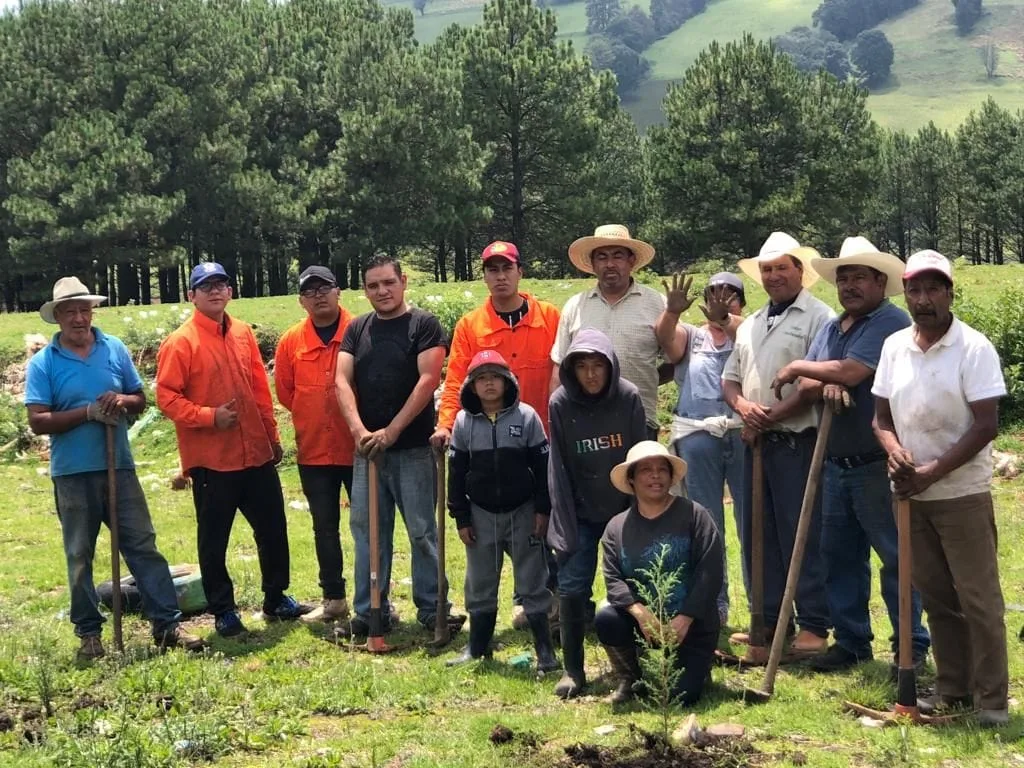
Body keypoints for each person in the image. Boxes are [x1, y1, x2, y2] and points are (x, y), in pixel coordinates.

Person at [770, 237, 930, 674]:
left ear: (881, 281)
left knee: (895, 556)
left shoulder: (890, 322)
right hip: (836, 461)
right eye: (843, 278)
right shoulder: (833, 326)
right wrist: (826, 379)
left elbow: (852, 371)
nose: (849, 286)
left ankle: (911, 645)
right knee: (839, 556)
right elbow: (817, 386)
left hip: (877, 462)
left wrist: (802, 368)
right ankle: (852, 641)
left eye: (859, 276)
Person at [26, 277, 204, 660]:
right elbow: (38, 421)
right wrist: (86, 413)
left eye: (84, 309)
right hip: (73, 473)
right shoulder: (44, 363)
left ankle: (167, 624)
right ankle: (89, 633)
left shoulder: (114, 348)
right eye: (70, 311)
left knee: (142, 545)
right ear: (57, 316)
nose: (79, 318)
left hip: (118, 467)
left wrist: (121, 400)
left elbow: (140, 399)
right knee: (79, 553)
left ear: (92, 312)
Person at [872, 250, 1008, 727]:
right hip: (910, 492)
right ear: (905, 293)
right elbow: (881, 418)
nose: (923, 299)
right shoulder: (894, 346)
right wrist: (895, 452)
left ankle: (991, 701)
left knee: (979, 598)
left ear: (950, 293)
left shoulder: (973, 348)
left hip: (961, 492)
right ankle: (953, 690)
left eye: (933, 289)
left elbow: (986, 425)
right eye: (915, 289)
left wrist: (933, 470)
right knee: (935, 596)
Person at [156, 262, 309, 638]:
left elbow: (259, 386)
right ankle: (223, 610)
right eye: (205, 286)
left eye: (221, 284)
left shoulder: (242, 332)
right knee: (214, 539)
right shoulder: (181, 341)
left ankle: (276, 597)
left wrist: (272, 437)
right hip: (212, 461)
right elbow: (165, 396)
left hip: (255, 452)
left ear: (230, 291)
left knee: (273, 528)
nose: (215, 291)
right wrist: (208, 416)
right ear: (192, 295)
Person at [430, 240, 561, 630]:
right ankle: (525, 603)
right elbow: (455, 380)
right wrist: (445, 424)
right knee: (509, 523)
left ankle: (551, 598)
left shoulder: (550, 317)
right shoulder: (471, 326)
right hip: (491, 441)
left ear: (520, 272)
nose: (500, 276)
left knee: (546, 518)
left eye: (507, 269)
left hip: (543, 439)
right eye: (492, 270)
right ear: (484, 276)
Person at [721, 232, 834, 660]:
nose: (773, 276)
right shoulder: (750, 323)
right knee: (756, 532)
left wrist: (767, 417)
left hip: (795, 441)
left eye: (781, 268)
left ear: (800, 272)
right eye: (766, 270)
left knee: (800, 531)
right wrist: (745, 408)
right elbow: (729, 378)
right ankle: (765, 621)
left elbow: (812, 383)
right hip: (753, 442)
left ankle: (813, 625)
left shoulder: (819, 317)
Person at [335, 254, 458, 635]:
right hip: (368, 451)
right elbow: (340, 381)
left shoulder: (424, 325)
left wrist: (392, 430)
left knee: (422, 529)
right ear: (365, 290)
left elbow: (428, 380)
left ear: (403, 281)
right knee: (367, 531)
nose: (381, 291)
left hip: (414, 451)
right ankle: (371, 610)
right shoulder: (357, 329)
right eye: (373, 285)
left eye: (388, 282)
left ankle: (431, 607)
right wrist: (359, 432)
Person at [445, 350, 558, 674]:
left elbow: (542, 465)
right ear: (472, 386)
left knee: (533, 581)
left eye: (495, 377)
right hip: (480, 515)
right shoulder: (464, 423)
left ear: (508, 382)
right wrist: (461, 516)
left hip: (523, 512)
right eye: (482, 379)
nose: (489, 384)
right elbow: (456, 472)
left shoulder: (526, 417)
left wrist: (542, 510)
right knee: (479, 582)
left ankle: (545, 652)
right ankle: (477, 648)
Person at [547, 328, 647, 698]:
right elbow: (558, 467)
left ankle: (633, 667)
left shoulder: (629, 398)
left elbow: (641, 457)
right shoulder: (560, 403)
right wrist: (564, 523)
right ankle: (573, 669)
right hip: (580, 512)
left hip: (624, 511)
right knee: (572, 588)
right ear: (571, 371)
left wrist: (640, 515)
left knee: (632, 590)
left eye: (598, 366)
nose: (590, 374)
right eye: (582, 367)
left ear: (610, 367)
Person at [598, 441, 724, 705]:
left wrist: (685, 618)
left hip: (692, 624)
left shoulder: (695, 515)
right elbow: (613, 580)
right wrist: (640, 614)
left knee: (680, 697)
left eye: (662, 470)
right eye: (645, 470)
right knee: (606, 617)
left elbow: (709, 573)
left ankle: (698, 668)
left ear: (670, 476)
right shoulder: (616, 527)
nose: (655, 475)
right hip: (644, 624)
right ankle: (630, 678)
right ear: (631, 479)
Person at [655, 272, 746, 626]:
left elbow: (748, 340)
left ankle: (761, 610)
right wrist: (673, 312)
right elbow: (666, 341)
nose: (720, 301)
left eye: (730, 296)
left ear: (741, 301)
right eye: (713, 295)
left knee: (751, 523)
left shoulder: (749, 331)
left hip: (742, 433)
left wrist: (725, 319)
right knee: (707, 524)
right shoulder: (692, 336)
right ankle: (713, 605)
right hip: (697, 436)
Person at [274, 265, 355, 624]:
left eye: (325, 288)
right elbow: (286, 393)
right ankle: (334, 598)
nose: (319, 295)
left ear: (340, 292)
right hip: (314, 452)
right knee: (324, 527)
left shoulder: (362, 331)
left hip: (358, 448)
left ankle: (377, 597)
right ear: (301, 301)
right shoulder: (291, 341)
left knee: (370, 526)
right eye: (311, 291)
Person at [552, 225, 666, 440]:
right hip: (585, 420)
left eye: (618, 256)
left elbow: (675, 358)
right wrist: (558, 418)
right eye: (602, 257)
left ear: (631, 261)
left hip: (640, 416)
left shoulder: (656, 303)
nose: (610, 264)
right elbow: (560, 365)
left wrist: (649, 377)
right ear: (593, 264)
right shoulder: (575, 306)